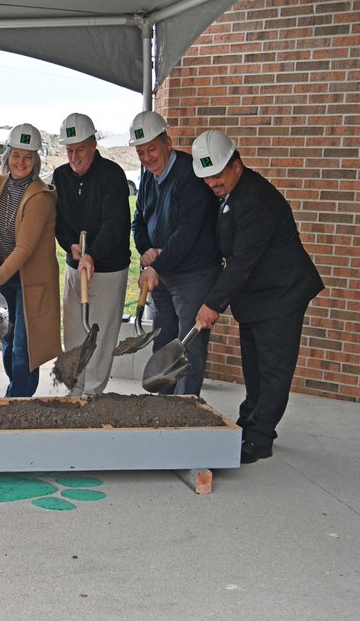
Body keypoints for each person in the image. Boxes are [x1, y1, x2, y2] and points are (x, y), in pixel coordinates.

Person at [192, 131, 324, 464]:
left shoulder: (256, 201)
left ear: (236, 164)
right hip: (257, 296)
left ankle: (259, 438)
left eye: (218, 175)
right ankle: (249, 422)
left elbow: (242, 262)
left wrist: (212, 304)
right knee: (254, 366)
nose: (212, 183)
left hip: (282, 294)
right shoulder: (231, 194)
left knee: (272, 369)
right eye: (207, 177)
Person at [128, 111, 220, 397]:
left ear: (167, 143)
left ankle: (184, 411)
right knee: (163, 337)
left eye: (152, 149)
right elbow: (139, 220)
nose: (147, 157)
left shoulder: (189, 174)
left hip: (193, 273)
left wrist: (158, 263)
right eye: (141, 152)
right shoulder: (148, 176)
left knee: (189, 345)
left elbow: (187, 232)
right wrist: (146, 252)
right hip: (164, 272)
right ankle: (162, 406)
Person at [52, 112, 131, 396]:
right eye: (70, 150)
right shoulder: (60, 177)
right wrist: (70, 246)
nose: (74, 156)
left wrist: (93, 254)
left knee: (101, 334)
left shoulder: (112, 176)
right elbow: (58, 222)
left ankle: (93, 393)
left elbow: (115, 224)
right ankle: (75, 390)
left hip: (108, 270)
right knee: (74, 332)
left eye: (80, 149)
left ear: (93, 145)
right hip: (76, 269)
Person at [0, 123, 60, 398]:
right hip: (3, 277)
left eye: (28, 156)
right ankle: (16, 394)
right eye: (16, 155)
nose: (21, 162)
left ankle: (18, 403)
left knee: (23, 348)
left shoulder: (41, 196)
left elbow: (25, 248)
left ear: (36, 160)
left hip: (29, 282)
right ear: (7, 156)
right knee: (6, 340)